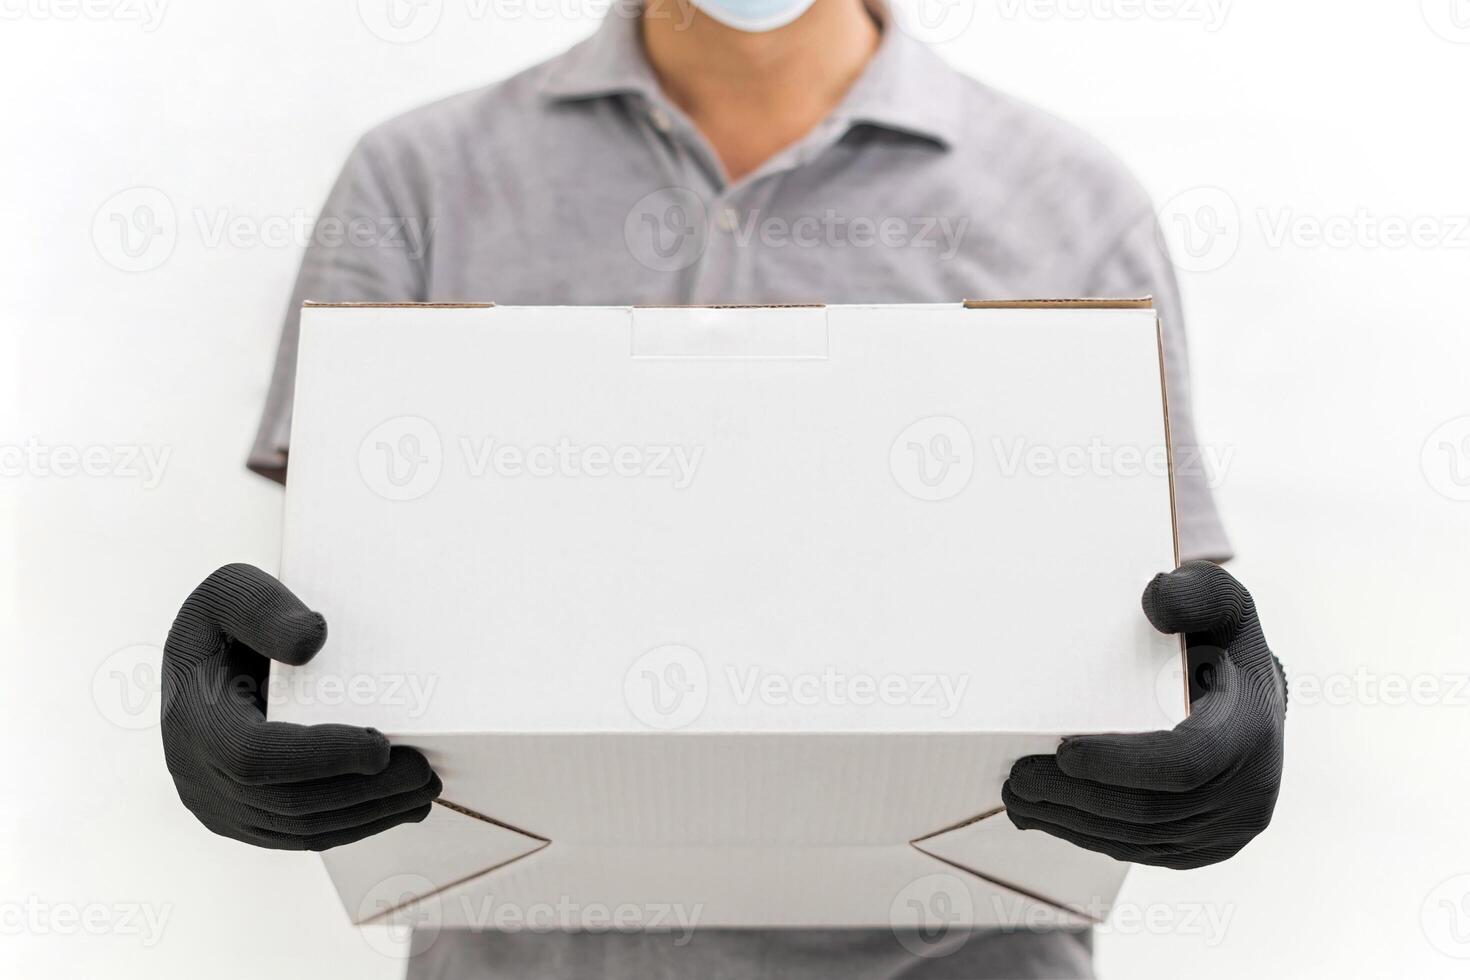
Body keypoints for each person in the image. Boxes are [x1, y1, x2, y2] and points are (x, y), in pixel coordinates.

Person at [160, 0, 1288, 976]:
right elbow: (349, 603)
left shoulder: (1074, 202)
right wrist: (242, 703)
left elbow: (1158, 627)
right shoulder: (415, 180)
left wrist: (1229, 711)